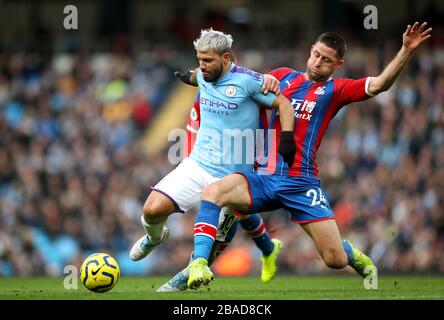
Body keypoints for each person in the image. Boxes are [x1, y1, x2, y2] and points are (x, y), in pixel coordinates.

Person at [185, 22, 433, 289]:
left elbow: (381, 84)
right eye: (315, 54)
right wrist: (199, 74)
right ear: (311, 50)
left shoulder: (336, 90)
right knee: (212, 193)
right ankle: (197, 265)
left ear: (337, 65)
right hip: (263, 177)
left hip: (300, 182)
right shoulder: (282, 76)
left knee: (334, 259)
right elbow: (239, 84)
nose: (317, 62)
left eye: (326, 60)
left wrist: (406, 49)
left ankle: (348, 252)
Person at [128, 28, 296, 289]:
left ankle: (177, 285)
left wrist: (287, 138)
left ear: (226, 58)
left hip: (233, 177)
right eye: (199, 59)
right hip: (198, 165)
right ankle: (154, 237)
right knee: (151, 210)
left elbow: (284, 104)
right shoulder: (203, 75)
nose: (201, 66)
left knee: (212, 246)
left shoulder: (250, 82)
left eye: (207, 60)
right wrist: (189, 76)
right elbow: (195, 76)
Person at [156, 91, 283, 292]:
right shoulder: (205, 95)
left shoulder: (251, 96)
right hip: (211, 165)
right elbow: (193, 130)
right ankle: (268, 248)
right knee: (237, 212)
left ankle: (184, 278)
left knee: (226, 221)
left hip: (247, 167)